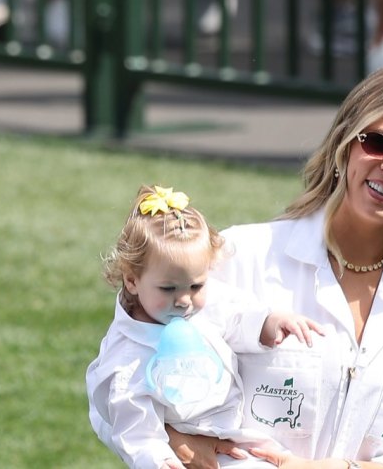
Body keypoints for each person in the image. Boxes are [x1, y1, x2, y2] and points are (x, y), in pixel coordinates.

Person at [151, 66, 383, 468]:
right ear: (345, 145)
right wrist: (168, 435)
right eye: (378, 143)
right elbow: (124, 367)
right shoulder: (242, 256)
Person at [87, 185, 324, 469]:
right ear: (132, 280)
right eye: (168, 288)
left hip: (235, 433)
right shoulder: (127, 358)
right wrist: (158, 460)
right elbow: (134, 427)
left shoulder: (202, 306)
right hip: (189, 445)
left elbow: (236, 315)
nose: (185, 300)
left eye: (196, 285)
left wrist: (269, 323)